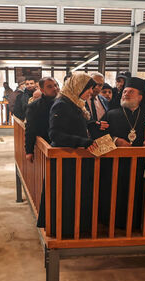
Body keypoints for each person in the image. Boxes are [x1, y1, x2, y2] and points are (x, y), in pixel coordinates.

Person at [38, 73, 99, 239]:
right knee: (65, 197)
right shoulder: (62, 104)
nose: (90, 93)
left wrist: (94, 125)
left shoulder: (74, 103)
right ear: (78, 87)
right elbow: (56, 134)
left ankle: (76, 228)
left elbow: (76, 124)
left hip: (74, 160)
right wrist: (83, 141)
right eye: (88, 89)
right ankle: (63, 231)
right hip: (65, 161)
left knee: (75, 195)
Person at [99, 77, 145, 229]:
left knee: (137, 193)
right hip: (114, 166)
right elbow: (97, 139)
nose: (126, 94)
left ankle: (135, 223)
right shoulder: (111, 114)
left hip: (139, 165)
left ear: (140, 97)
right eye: (124, 91)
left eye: (131, 92)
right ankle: (110, 221)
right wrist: (115, 140)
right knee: (114, 193)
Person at [24, 77, 59, 162]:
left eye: (55, 85)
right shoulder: (34, 106)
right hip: (45, 146)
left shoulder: (64, 103)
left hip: (62, 146)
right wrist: (29, 151)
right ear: (42, 90)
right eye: (50, 87)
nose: (55, 88)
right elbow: (30, 129)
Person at [85, 72, 109, 137]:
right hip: (84, 139)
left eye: (100, 85)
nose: (96, 87)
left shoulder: (104, 101)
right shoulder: (80, 100)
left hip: (101, 139)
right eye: (94, 84)